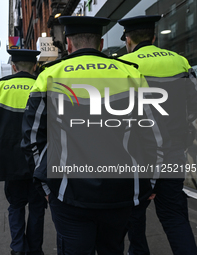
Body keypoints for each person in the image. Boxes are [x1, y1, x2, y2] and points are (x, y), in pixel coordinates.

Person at [21, 16, 170, 255]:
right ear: (100, 43)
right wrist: (151, 181)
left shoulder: (49, 76)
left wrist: (46, 188)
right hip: (121, 193)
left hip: (68, 194)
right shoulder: (130, 74)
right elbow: (153, 135)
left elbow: (32, 140)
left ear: (68, 44)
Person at [118, 15, 197, 255]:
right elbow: (193, 107)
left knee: (134, 218)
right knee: (175, 217)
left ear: (128, 40)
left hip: (136, 157)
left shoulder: (123, 65)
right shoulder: (180, 61)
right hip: (173, 152)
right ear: (153, 37)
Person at [0, 49, 47, 255]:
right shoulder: (42, 85)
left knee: (16, 207)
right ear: (35, 66)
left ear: (14, 66)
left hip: (9, 163)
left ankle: (18, 249)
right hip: (37, 162)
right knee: (37, 208)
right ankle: (35, 250)